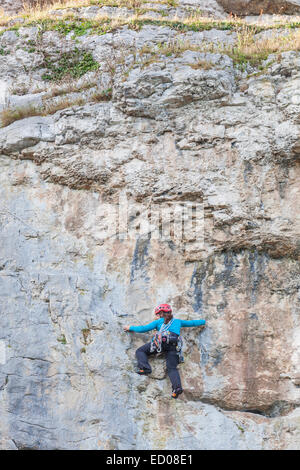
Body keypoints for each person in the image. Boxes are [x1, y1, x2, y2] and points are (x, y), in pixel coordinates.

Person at [123, 304, 206, 399]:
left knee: (140, 351)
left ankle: (145, 368)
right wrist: (204, 321)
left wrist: (130, 327)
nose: (157, 316)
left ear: (161, 314)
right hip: (174, 346)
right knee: (172, 368)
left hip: (161, 344)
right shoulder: (178, 321)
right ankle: (177, 388)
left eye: (158, 314)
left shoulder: (158, 322)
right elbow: (192, 323)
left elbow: (143, 329)